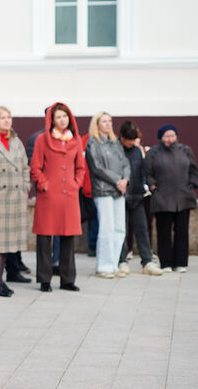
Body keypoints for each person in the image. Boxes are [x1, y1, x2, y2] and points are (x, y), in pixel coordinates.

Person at [30, 102, 86, 291]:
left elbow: (81, 167)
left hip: (69, 195)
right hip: (49, 196)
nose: (62, 120)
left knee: (68, 237)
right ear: (51, 120)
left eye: (65, 116)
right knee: (45, 238)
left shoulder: (75, 140)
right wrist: (44, 184)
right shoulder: (41, 140)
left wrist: (76, 183)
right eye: (58, 117)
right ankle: (45, 279)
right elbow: (35, 167)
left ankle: (67, 279)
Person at [0, 106, 30, 296]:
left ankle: (0, 280)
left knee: (7, 243)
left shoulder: (16, 141)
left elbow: (25, 167)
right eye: (2, 118)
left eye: (9, 117)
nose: (7, 121)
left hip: (15, 199)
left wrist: (25, 186)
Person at [145, 124, 198, 272]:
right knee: (164, 232)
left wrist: (193, 183)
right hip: (162, 198)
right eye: (166, 136)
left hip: (183, 197)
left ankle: (180, 263)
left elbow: (193, 170)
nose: (170, 139)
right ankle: (166, 263)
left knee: (182, 231)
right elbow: (147, 173)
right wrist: (152, 185)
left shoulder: (185, 150)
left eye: (172, 136)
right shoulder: (153, 153)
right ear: (161, 138)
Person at [85, 112, 131, 278]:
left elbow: (125, 162)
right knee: (107, 228)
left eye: (110, 121)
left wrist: (125, 179)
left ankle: (114, 264)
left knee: (120, 228)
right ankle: (104, 266)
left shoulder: (115, 142)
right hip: (104, 190)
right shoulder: (93, 143)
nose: (108, 124)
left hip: (119, 190)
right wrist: (117, 180)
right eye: (104, 121)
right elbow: (97, 168)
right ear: (97, 124)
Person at [117, 122, 162, 276]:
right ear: (122, 137)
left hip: (137, 196)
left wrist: (144, 185)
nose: (131, 143)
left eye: (133, 139)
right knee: (121, 230)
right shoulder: (116, 149)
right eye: (129, 139)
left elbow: (142, 169)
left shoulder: (137, 151)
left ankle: (147, 261)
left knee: (142, 229)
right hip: (120, 197)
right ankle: (121, 261)